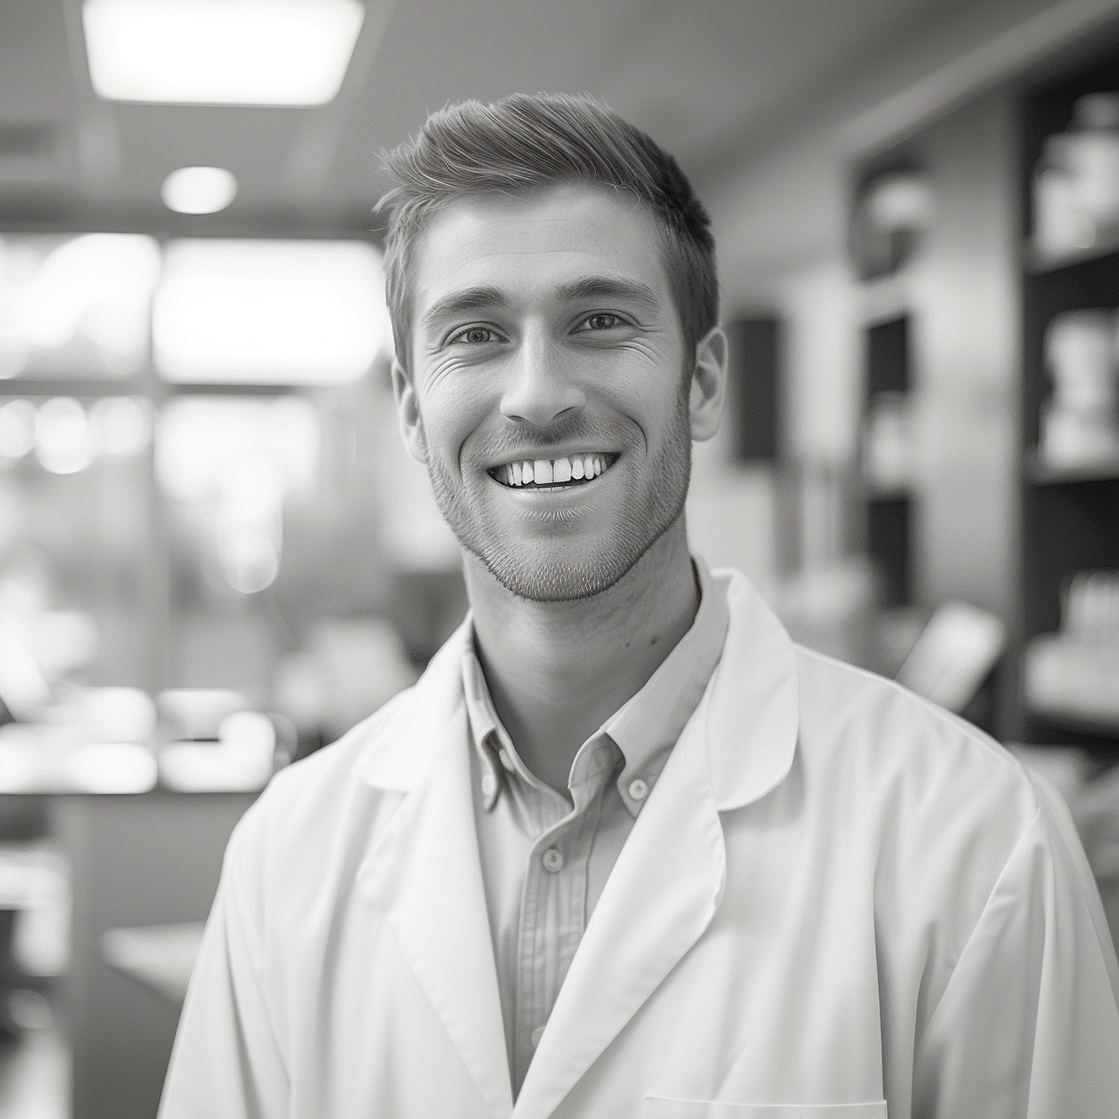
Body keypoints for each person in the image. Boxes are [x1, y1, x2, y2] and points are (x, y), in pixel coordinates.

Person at [159, 93, 1119, 1119]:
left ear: (702, 383)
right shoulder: (288, 855)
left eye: (600, 321)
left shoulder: (972, 838)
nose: (536, 395)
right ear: (409, 408)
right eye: (476, 333)